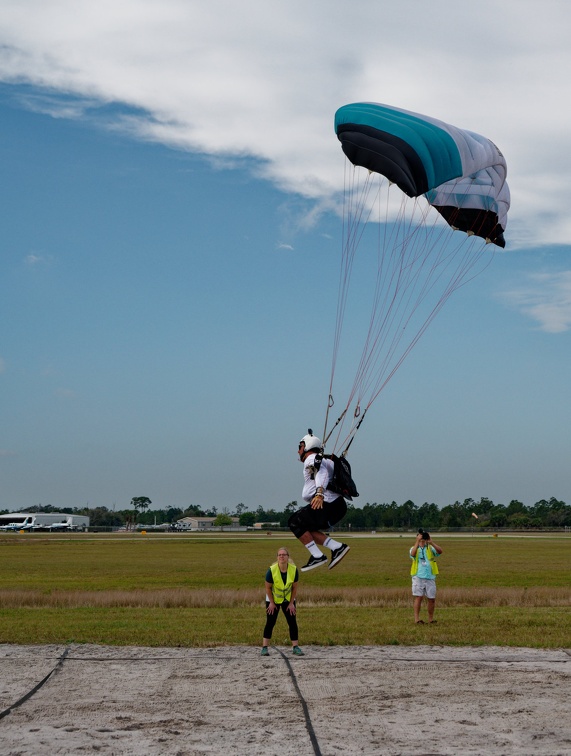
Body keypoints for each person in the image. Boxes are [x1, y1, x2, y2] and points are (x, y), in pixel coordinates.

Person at [288, 431, 350, 572]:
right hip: (337, 506)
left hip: (328, 504)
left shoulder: (312, 459)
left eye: (300, 446)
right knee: (305, 529)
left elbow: (321, 472)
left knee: (294, 522)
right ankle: (337, 548)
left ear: (307, 446)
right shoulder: (325, 459)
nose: (298, 451)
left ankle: (318, 555)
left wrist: (319, 493)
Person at [261, 547, 304, 656]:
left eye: (284, 555)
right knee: (270, 622)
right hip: (273, 598)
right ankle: (264, 647)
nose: (281, 557)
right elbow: (267, 588)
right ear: (277, 557)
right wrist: (271, 602)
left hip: (288, 599)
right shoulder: (271, 570)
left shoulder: (294, 570)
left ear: (288, 557)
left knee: (292, 622)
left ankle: (295, 647)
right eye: (279, 555)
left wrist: (291, 604)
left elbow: (294, 588)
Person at [410, 530, 443, 624]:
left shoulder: (430, 548)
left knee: (431, 598)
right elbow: (412, 554)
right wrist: (417, 542)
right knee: (418, 597)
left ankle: (431, 619)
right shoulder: (414, 548)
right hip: (418, 576)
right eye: (421, 538)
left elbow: (440, 551)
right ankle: (417, 619)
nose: (422, 539)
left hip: (430, 576)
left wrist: (431, 542)